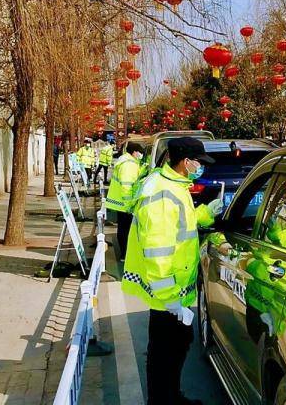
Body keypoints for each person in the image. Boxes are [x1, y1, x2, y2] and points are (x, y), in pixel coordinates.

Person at [122, 137, 223, 405]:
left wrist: (207, 213)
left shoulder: (174, 185)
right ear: (184, 161)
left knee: (174, 349)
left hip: (176, 290)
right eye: (198, 162)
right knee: (165, 353)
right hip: (168, 294)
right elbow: (158, 250)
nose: (200, 167)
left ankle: (171, 397)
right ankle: (163, 401)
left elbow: (182, 221)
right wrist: (170, 299)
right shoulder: (161, 192)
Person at [106, 141, 144, 261]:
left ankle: (124, 252)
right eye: (140, 152)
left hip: (120, 202)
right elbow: (127, 185)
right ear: (134, 152)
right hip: (125, 203)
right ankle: (124, 254)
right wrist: (129, 205)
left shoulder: (128, 162)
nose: (141, 154)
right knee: (125, 229)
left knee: (123, 228)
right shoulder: (128, 164)